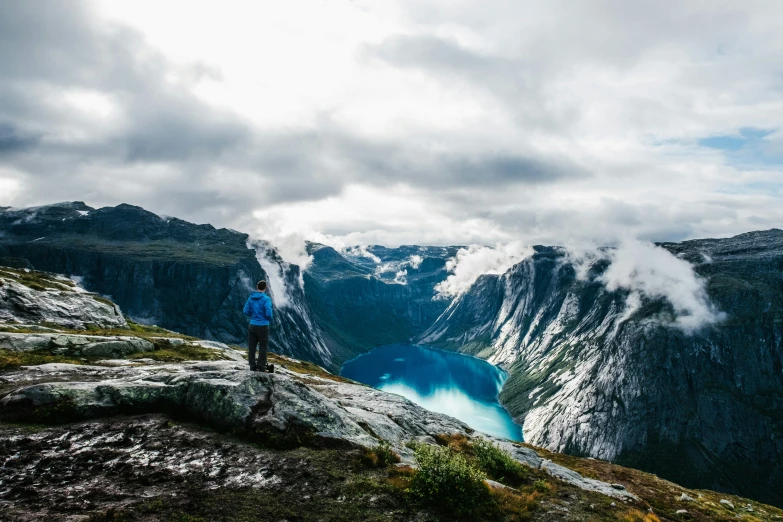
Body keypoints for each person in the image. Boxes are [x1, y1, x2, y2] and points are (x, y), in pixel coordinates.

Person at [243, 280, 273, 372]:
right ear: (265, 288)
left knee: (252, 347)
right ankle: (261, 367)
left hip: (252, 325)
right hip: (263, 326)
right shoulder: (266, 299)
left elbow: (245, 311)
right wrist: (268, 318)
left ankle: (252, 366)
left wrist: (253, 316)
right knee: (263, 346)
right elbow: (268, 313)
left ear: (257, 287)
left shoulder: (251, 298)